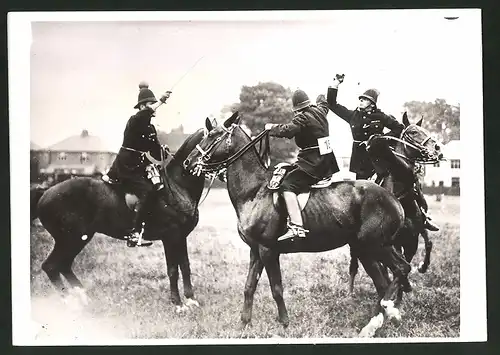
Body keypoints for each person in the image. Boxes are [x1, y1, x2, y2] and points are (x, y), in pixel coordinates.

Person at [327, 74, 438, 231]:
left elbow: (399, 128)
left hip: (380, 157)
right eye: (360, 99)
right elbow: (331, 104)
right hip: (361, 160)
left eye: (364, 99)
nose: (360, 101)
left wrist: (382, 139)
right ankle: (357, 226)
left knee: (408, 179)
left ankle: (423, 216)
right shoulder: (352, 115)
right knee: (360, 194)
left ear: (371, 104)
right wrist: (335, 84)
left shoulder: (380, 116)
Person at [264, 89, 340, 241]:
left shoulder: (302, 118)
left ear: (297, 109)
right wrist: (325, 94)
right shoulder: (319, 111)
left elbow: (288, 130)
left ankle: (297, 226)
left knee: (287, 186)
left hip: (313, 163)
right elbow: (324, 103)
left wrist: (271, 128)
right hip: (327, 162)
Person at [106, 81, 171, 247]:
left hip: (141, 165)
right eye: (150, 104)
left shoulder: (150, 128)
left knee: (159, 188)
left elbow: (155, 152)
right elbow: (145, 114)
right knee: (147, 191)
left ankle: (150, 225)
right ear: (142, 107)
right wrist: (161, 101)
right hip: (126, 166)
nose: (153, 108)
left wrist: (163, 151)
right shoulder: (134, 120)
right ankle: (134, 233)